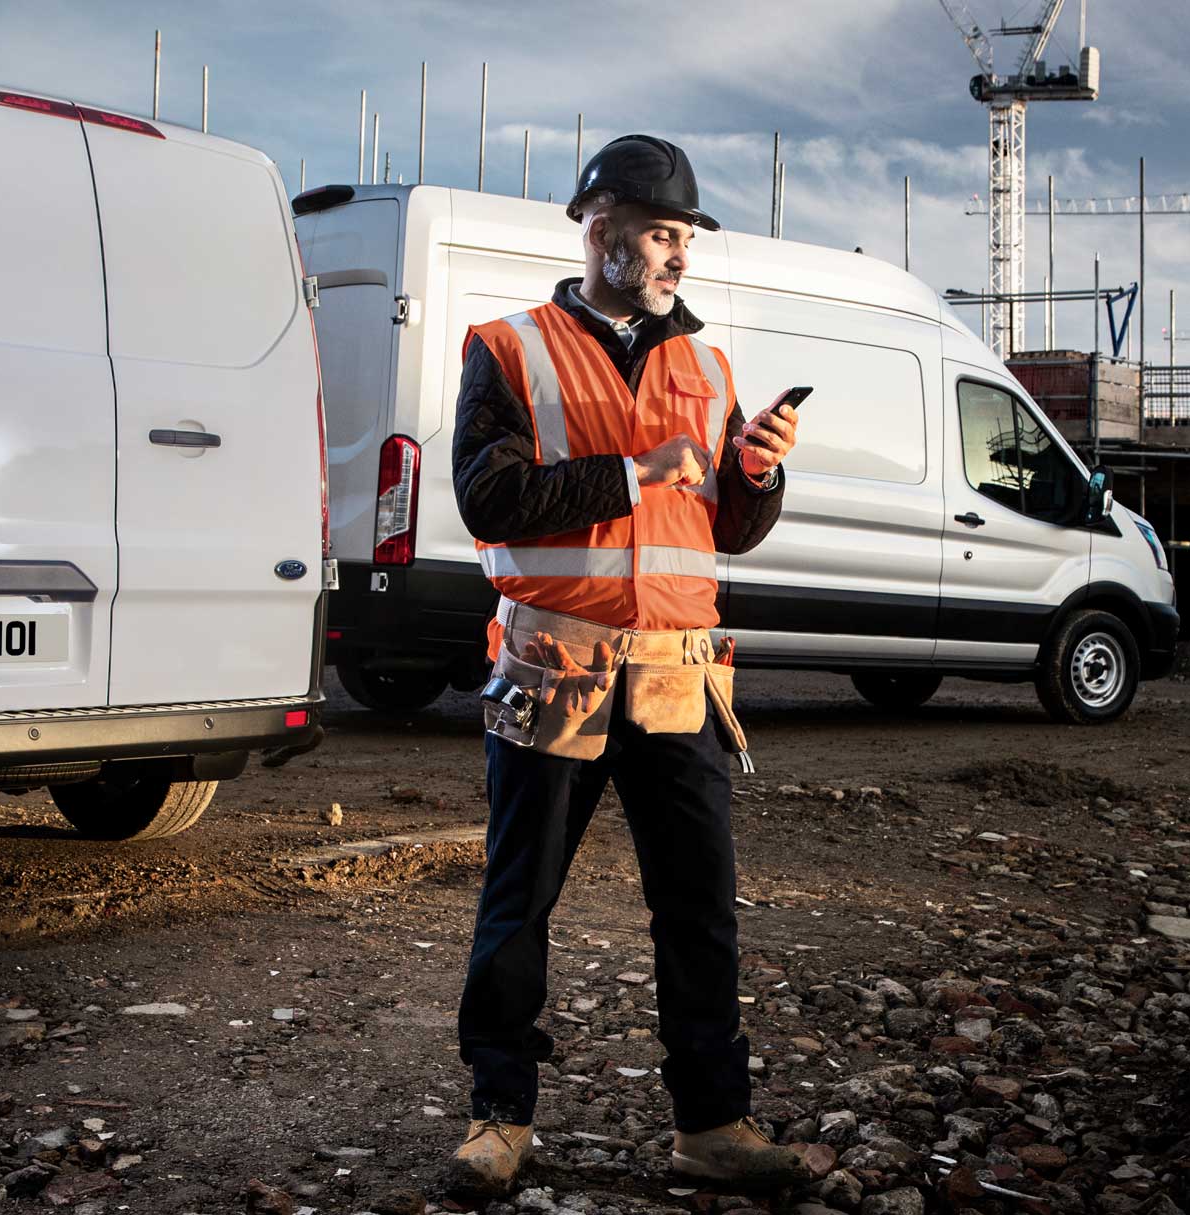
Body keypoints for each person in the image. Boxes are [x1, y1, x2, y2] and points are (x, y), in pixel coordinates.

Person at [446, 134, 805, 1197]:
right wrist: (633, 469)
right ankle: (500, 1118)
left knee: (700, 906)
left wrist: (755, 475)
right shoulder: (509, 349)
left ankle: (712, 1123)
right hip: (559, 670)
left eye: (684, 236)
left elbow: (725, 533)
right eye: (660, 233)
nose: (676, 254)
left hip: (678, 674)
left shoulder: (708, 365)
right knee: (521, 899)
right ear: (595, 227)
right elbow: (488, 499)